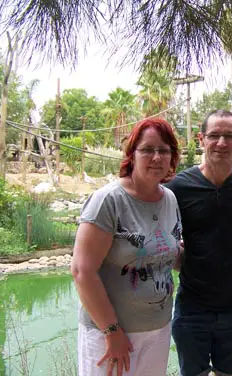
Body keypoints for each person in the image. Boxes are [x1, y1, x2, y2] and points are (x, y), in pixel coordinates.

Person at [71, 118, 183, 376]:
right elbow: (81, 271)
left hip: (158, 330)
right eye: (147, 149)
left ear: (172, 156)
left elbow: (170, 251)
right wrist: (112, 332)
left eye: (164, 150)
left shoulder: (169, 199)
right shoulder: (108, 201)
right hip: (110, 336)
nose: (156, 157)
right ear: (132, 155)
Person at [166, 110, 232, 376]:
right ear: (201, 139)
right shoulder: (179, 187)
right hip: (192, 306)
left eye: (228, 136)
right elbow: (167, 236)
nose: (221, 142)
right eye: (214, 135)